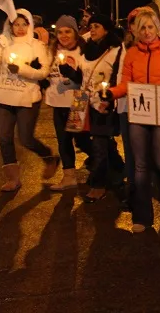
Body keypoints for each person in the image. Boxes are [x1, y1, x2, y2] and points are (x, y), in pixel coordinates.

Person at [105, 9, 160, 232]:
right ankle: (142, 217)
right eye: (142, 27)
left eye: (150, 26)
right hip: (139, 112)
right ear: (136, 31)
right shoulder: (132, 54)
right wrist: (111, 93)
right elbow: (125, 84)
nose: (146, 31)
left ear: (157, 27)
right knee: (140, 166)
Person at [0, 9, 58, 191]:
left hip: (28, 98)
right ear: (9, 25)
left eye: (24, 24)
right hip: (5, 97)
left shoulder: (36, 46)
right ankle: (13, 178)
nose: (20, 28)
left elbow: (43, 72)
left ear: (30, 24)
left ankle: (49, 156)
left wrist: (22, 70)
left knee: (25, 138)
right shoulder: (4, 44)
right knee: (4, 138)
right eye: (16, 24)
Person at [77, 13, 126, 203]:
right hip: (82, 101)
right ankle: (118, 166)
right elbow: (82, 75)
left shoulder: (116, 50)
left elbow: (120, 77)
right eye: (91, 26)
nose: (92, 29)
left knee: (99, 145)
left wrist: (111, 97)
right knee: (81, 140)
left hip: (103, 103)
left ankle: (98, 185)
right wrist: (70, 72)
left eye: (96, 26)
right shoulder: (88, 48)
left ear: (106, 29)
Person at [44, 15, 92, 191]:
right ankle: (69, 177)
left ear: (75, 32)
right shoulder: (52, 50)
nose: (63, 35)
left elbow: (87, 78)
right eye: (60, 32)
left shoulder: (84, 50)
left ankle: (103, 164)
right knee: (63, 142)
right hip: (58, 102)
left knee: (82, 141)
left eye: (68, 31)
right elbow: (46, 73)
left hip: (78, 100)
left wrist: (72, 73)